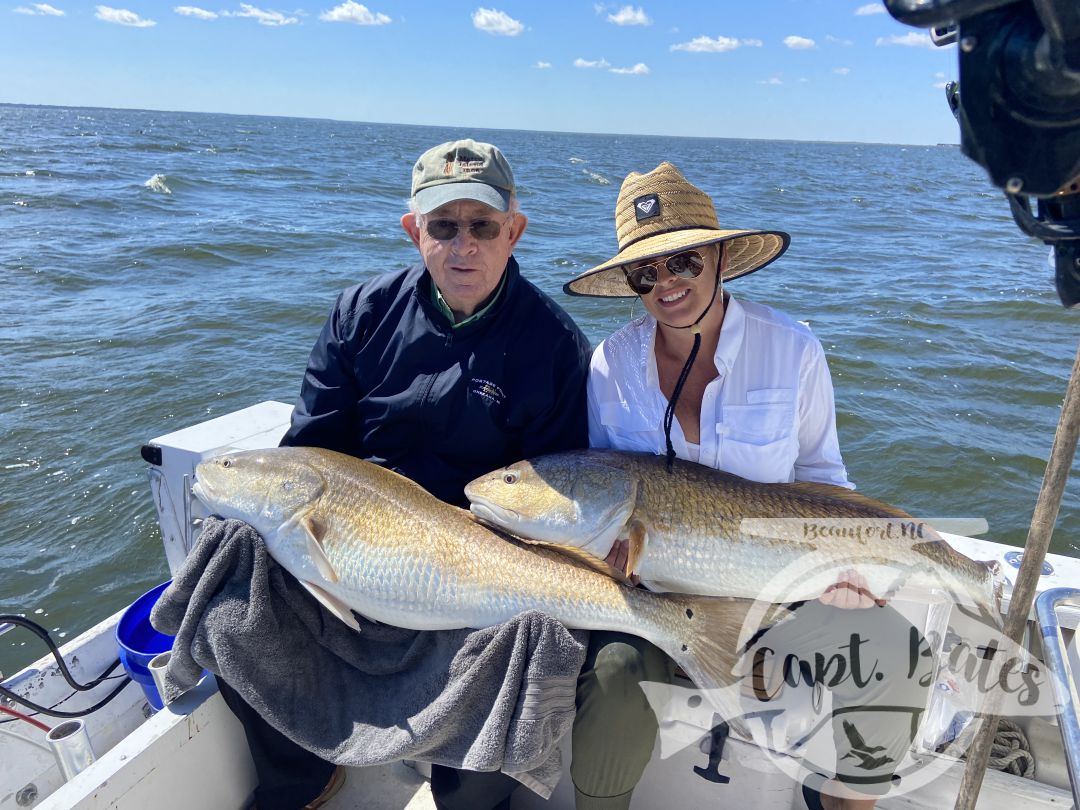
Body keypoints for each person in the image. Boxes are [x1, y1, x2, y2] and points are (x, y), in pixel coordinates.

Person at [217, 138, 592, 810]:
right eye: (443, 226)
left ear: (515, 231)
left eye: (482, 226)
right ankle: (301, 774)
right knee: (228, 577)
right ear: (414, 231)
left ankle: (468, 790)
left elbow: (552, 501)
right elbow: (313, 448)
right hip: (356, 538)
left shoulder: (554, 346)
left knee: (527, 643)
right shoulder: (358, 315)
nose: (463, 246)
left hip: (483, 557)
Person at [562, 162, 931, 810]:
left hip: (775, 590)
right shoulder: (609, 365)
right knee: (615, 679)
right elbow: (610, 484)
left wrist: (843, 572)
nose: (666, 284)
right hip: (657, 597)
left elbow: (822, 480)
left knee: (892, 654)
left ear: (722, 257)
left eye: (684, 263)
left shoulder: (794, 349)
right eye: (645, 272)